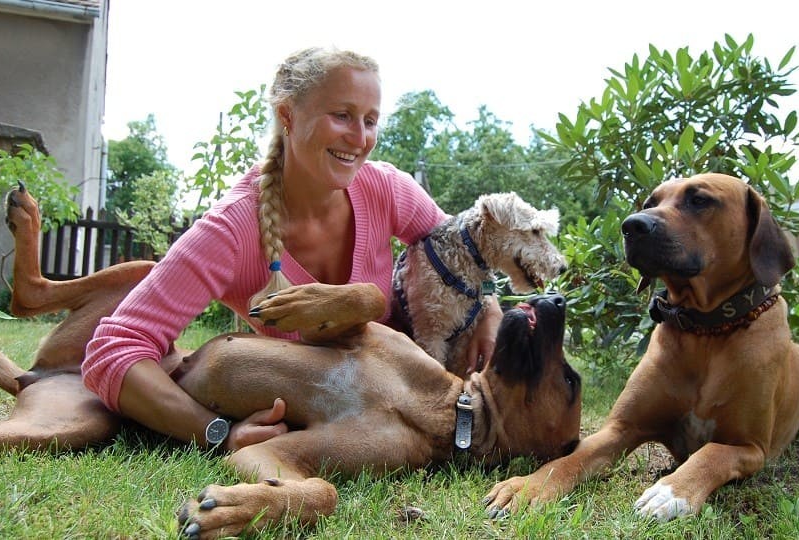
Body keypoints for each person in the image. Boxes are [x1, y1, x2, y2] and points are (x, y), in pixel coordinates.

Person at [82, 47, 502, 452]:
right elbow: (114, 349)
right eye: (342, 116)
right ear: (287, 115)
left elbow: (461, 248)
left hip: (421, 393)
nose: (360, 138)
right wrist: (215, 432)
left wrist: (489, 305)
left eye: (370, 120)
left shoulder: (386, 189)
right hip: (338, 408)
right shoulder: (232, 229)